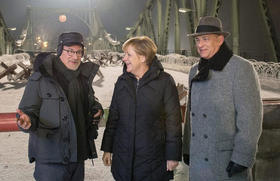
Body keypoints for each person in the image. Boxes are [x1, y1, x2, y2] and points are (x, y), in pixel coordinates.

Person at [182, 16, 263, 181]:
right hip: (198, 159)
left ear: (220, 40)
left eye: (205, 39)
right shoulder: (195, 70)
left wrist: (242, 157)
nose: (200, 45)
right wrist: (188, 148)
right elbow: (192, 115)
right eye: (197, 40)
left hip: (225, 162)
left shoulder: (241, 69)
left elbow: (251, 118)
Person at [16, 32, 103, 181]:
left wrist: (96, 108)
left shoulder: (82, 78)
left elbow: (90, 102)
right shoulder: (40, 78)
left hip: (77, 156)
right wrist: (27, 120)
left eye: (79, 52)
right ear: (59, 50)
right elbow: (28, 110)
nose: (75, 57)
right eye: (70, 51)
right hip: (50, 159)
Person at [101, 36, 182, 181]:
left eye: (128, 54)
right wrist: (108, 148)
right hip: (123, 158)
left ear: (143, 57)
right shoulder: (122, 81)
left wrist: (172, 155)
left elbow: (173, 121)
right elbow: (113, 116)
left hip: (152, 161)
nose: (124, 58)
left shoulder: (164, 81)